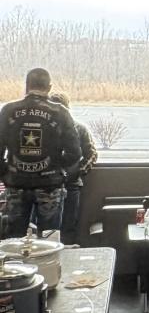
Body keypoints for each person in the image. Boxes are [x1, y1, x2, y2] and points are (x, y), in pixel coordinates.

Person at [0, 67, 82, 237]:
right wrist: (57, 167)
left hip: (16, 183)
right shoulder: (60, 112)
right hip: (50, 184)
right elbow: (75, 152)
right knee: (49, 238)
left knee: (14, 239)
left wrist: (6, 173)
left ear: (26, 85)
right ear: (49, 87)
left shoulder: (8, 111)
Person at [49, 91, 97, 245]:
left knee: (68, 226)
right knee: (48, 229)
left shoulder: (79, 128)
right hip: (48, 185)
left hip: (70, 185)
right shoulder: (46, 129)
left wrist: (78, 172)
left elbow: (92, 154)